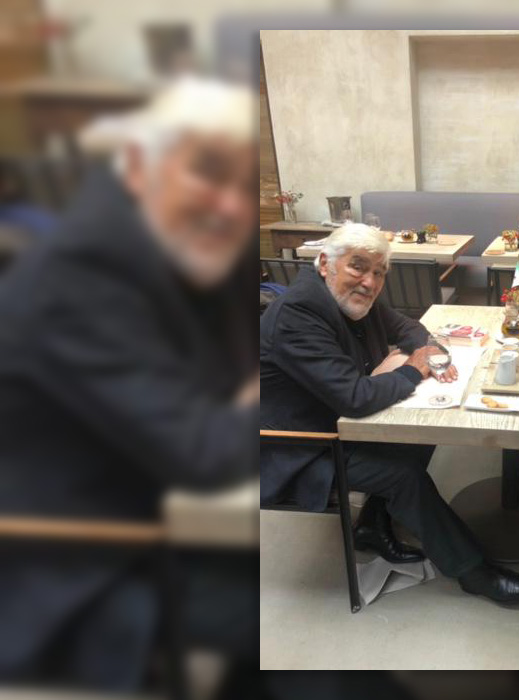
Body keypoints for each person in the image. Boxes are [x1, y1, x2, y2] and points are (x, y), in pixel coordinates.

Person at [0, 78, 260, 693]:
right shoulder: (84, 275)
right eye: (207, 171)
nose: (231, 206)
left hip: (172, 517)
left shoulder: (168, 251)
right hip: (79, 562)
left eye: (248, 187)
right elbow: (207, 451)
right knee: (288, 622)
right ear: (139, 166)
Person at [259, 223, 519, 604]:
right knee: (403, 474)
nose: (370, 282)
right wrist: (415, 368)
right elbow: (355, 398)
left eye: (379, 272)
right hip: (300, 445)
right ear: (325, 263)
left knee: (423, 433)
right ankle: (473, 571)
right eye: (358, 266)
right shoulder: (299, 313)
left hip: (336, 421)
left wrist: (431, 350)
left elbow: (406, 325)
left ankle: (373, 525)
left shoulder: (347, 298)